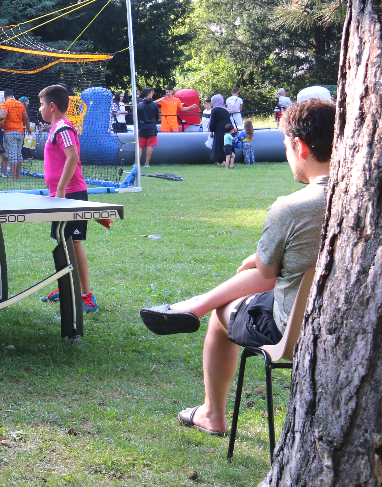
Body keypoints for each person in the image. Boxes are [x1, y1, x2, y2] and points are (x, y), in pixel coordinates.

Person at [139, 99, 335, 437]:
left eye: (287, 146)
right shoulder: (366, 197)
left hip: (297, 330)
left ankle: (212, 413)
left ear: (300, 147)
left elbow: (265, 274)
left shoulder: (292, 208)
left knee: (223, 314)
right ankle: (195, 305)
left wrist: (257, 263)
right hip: (358, 320)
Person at [37, 84, 98, 313]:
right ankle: (67, 286)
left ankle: (85, 295)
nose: (40, 109)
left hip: (70, 195)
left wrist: (61, 189)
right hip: (61, 195)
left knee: (73, 243)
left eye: (42, 105)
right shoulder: (56, 128)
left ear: (52, 106)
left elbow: (72, 157)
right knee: (63, 242)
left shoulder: (63, 128)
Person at [0, 88, 29, 180]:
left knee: (12, 155)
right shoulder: (20, 103)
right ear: (13, 95)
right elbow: (26, 117)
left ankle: (12, 177)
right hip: (20, 131)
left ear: (5, 96)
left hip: (10, 131)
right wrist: (27, 127)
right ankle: (18, 176)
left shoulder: (5, 104)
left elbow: (3, 116)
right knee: (19, 154)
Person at [136, 87, 161, 167]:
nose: (153, 94)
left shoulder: (139, 105)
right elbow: (157, 117)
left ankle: (137, 163)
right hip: (152, 127)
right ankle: (146, 163)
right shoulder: (154, 105)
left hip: (142, 127)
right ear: (149, 94)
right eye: (152, 93)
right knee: (150, 146)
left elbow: (137, 117)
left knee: (140, 146)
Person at [208, 94, 233, 165]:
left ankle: (221, 161)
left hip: (219, 129)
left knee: (219, 145)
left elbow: (212, 122)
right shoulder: (225, 110)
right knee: (227, 144)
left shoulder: (215, 110)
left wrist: (211, 131)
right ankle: (228, 160)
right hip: (228, 129)